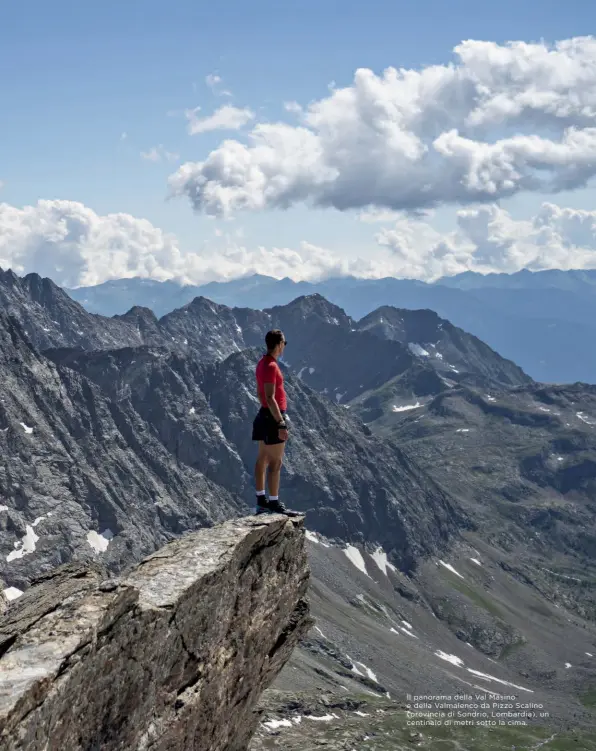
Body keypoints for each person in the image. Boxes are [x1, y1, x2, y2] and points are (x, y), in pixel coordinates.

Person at [252, 329, 300, 516]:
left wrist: (266, 410)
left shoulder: (261, 363)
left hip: (264, 414)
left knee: (262, 459)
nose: (284, 347)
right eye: (284, 343)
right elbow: (271, 396)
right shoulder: (271, 366)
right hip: (273, 416)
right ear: (279, 344)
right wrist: (280, 422)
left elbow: (260, 393)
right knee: (276, 463)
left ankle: (260, 500)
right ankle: (273, 503)